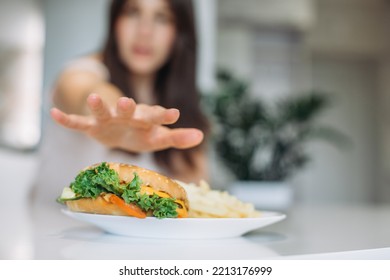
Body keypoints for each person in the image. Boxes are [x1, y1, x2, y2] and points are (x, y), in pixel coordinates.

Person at [33, 0, 210, 207]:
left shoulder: (181, 111)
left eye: (162, 18)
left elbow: (194, 198)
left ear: (180, 31)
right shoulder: (83, 70)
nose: (144, 31)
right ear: (115, 20)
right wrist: (111, 112)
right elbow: (82, 91)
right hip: (53, 235)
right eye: (132, 12)